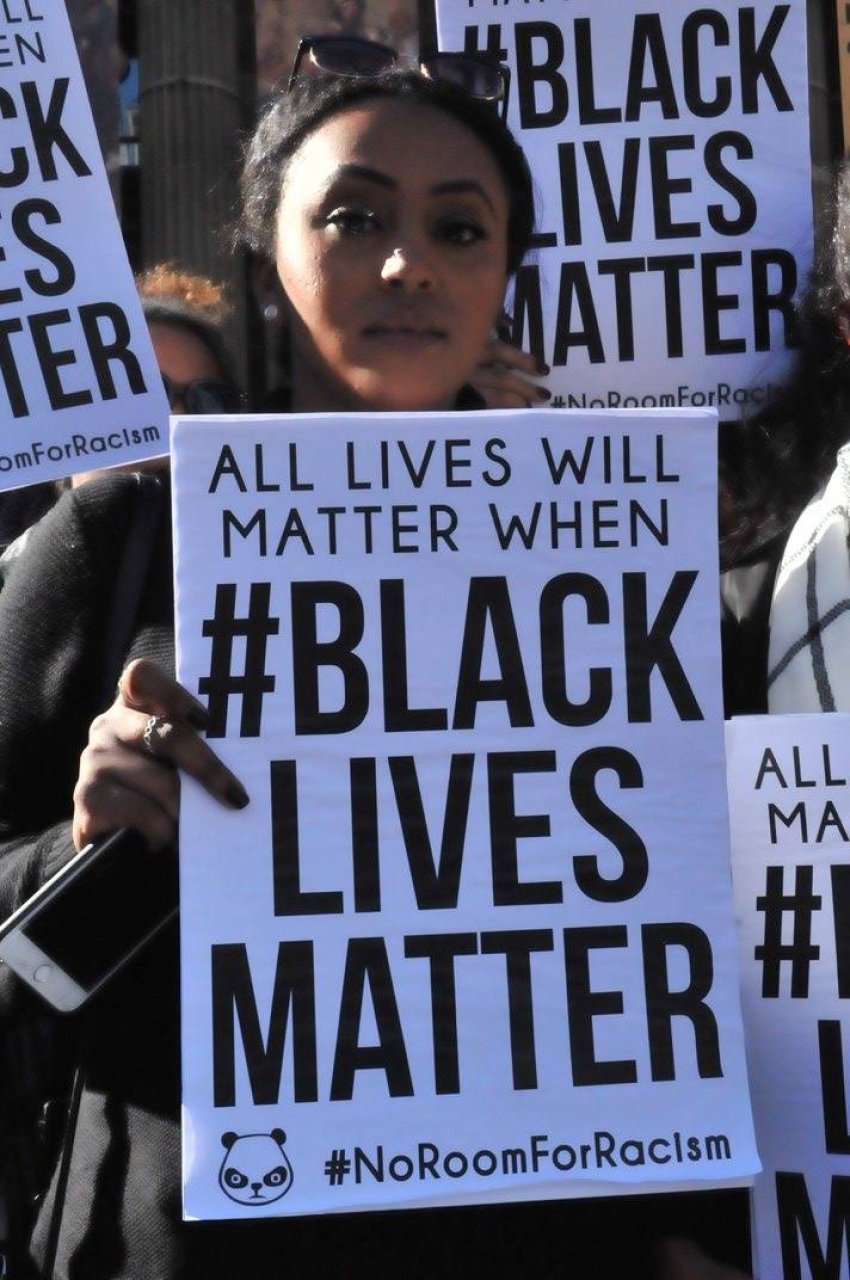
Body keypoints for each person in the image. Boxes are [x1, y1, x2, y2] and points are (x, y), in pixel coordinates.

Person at [0, 53, 748, 1280]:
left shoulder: (630, 560)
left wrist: (694, 1221)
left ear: (505, 275)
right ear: (262, 261)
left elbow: (700, 939)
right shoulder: (123, 537)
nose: (408, 264)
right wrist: (82, 848)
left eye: (460, 226)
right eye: (353, 216)